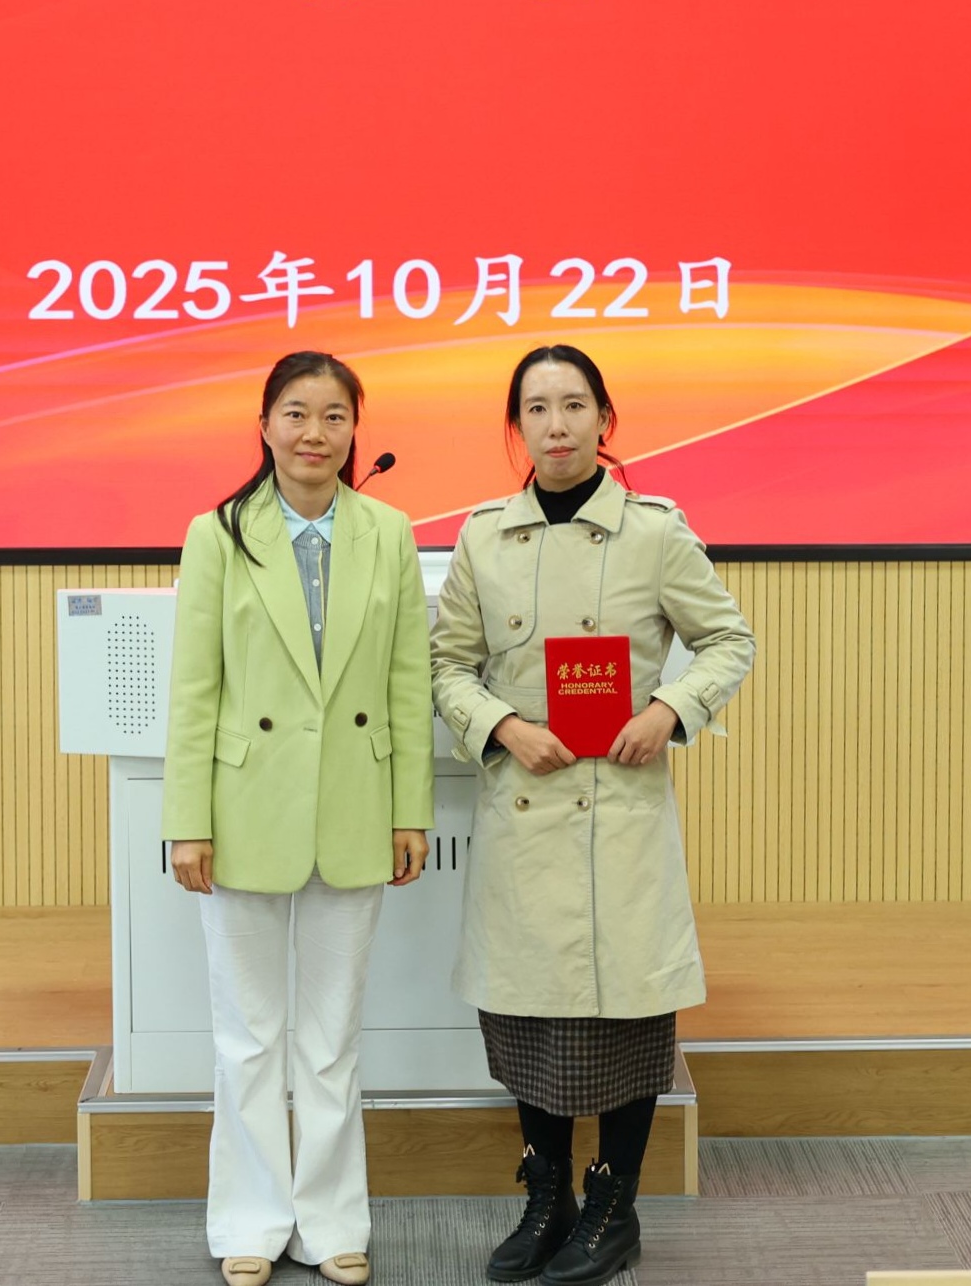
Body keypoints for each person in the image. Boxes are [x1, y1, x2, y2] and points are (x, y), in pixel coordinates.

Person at [431, 344, 756, 1286]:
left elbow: (727, 640)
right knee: (529, 1014)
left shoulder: (653, 532)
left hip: (619, 809)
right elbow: (447, 665)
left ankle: (614, 1208)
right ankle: (548, 1201)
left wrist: (669, 710)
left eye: (574, 405)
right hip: (525, 808)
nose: (557, 424)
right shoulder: (484, 538)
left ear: (605, 419)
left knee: (627, 1014)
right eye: (537, 408)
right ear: (517, 427)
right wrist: (502, 727)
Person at [163, 351, 437, 1286]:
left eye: (333, 416)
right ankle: (248, 1222)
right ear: (265, 426)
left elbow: (406, 682)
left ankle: (329, 1223)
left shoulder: (387, 532)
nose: (314, 434)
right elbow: (193, 691)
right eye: (295, 413)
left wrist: (409, 809)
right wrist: (187, 821)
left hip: (356, 806)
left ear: (355, 430)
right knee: (248, 1037)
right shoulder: (218, 534)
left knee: (329, 1040)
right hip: (245, 812)